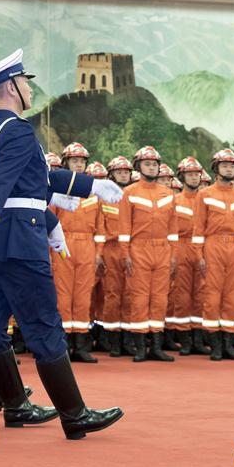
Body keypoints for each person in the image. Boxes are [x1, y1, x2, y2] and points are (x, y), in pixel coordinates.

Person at [0, 49, 124, 443]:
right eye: (25, 83)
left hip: (4, 241)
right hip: (21, 240)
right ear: (10, 87)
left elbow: (35, 176)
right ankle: (74, 414)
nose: (29, 90)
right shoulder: (17, 131)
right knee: (44, 325)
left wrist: (90, 186)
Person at [118, 146, 177, 362]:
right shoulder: (129, 193)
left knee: (160, 297)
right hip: (138, 249)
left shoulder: (168, 194)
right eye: (147, 164)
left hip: (163, 249)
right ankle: (141, 347)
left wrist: (173, 255)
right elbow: (124, 227)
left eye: (154, 164)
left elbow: (173, 229)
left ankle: (157, 347)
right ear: (139, 167)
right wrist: (126, 254)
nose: (151, 167)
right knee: (140, 297)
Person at [192, 148, 234, 362]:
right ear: (216, 169)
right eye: (225, 165)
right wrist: (200, 255)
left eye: (232, 166)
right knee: (212, 296)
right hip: (213, 245)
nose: (229, 168)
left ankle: (228, 346)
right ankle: (215, 346)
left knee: (232, 296)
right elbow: (198, 228)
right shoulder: (205, 195)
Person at [52, 142, 100, 363]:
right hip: (64, 244)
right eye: (74, 160)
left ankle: (80, 346)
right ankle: (62, 345)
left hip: (87, 246)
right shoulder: (57, 189)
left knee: (83, 295)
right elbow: (50, 222)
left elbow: (100, 228)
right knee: (62, 294)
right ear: (65, 163)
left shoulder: (92, 192)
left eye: (82, 161)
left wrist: (98, 252)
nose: (79, 164)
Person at [170, 157, 209, 355]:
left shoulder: (206, 199)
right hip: (182, 248)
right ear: (182, 176)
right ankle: (185, 340)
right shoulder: (175, 201)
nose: (194, 178)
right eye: (190, 174)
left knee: (201, 295)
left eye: (196, 174)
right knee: (182, 295)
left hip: (202, 248)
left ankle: (198, 340)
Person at [98, 156, 135, 357]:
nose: (123, 174)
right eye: (119, 171)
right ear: (111, 174)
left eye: (126, 172)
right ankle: (112, 339)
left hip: (130, 249)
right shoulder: (103, 199)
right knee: (112, 294)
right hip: (111, 250)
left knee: (130, 294)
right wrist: (100, 253)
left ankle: (127, 339)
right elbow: (100, 227)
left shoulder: (132, 197)